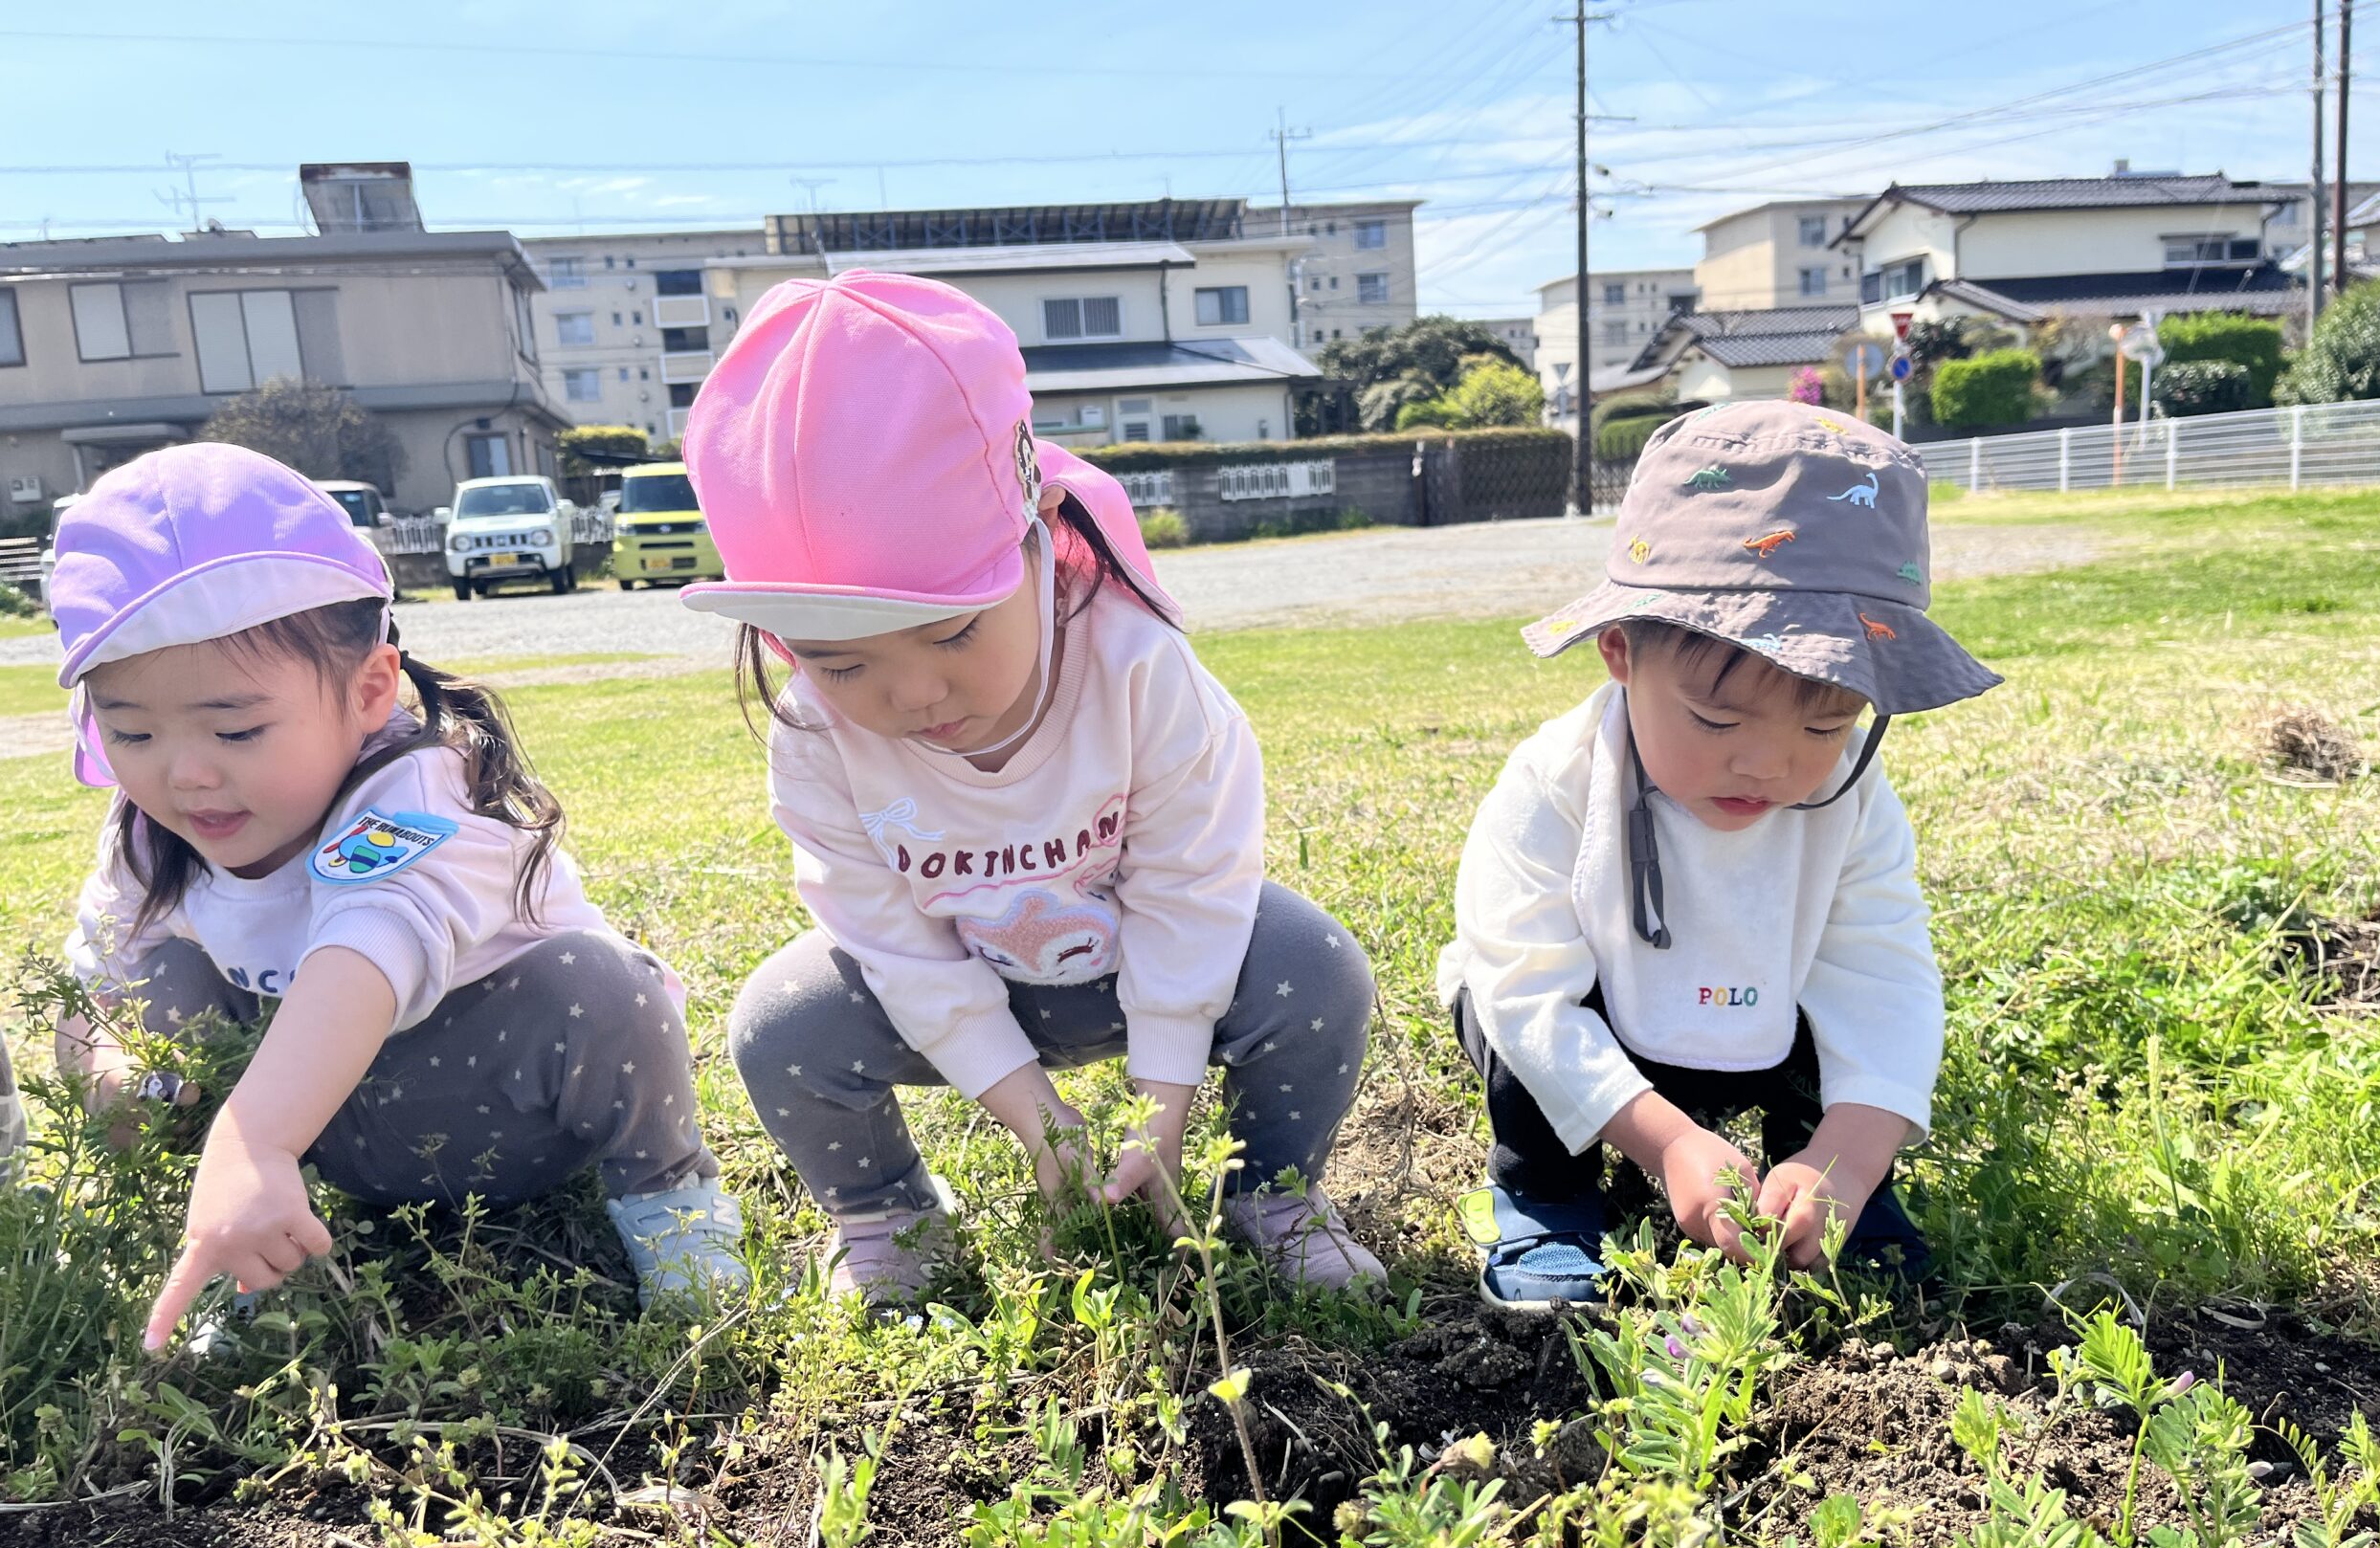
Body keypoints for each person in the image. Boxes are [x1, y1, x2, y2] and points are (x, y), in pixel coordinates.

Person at [690, 272, 1381, 1303]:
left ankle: (1272, 1195)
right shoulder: (814, 736)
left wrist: (1159, 1107)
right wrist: (1036, 1116)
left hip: (1139, 960)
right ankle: (884, 1215)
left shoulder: (1136, 666)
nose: (915, 694)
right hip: (964, 980)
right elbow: (891, 942)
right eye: (841, 662)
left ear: (1042, 530)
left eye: (953, 632)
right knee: (782, 1025)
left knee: (1311, 967)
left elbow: (1190, 886)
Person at [49, 444, 744, 1352]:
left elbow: (367, 946)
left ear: (370, 689)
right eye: (132, 733)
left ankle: (669, 1201)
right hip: (337, 1141)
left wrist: (254, 1141)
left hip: (512, 1119)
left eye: (237, 729)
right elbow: (95, 989)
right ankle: (254, 1249)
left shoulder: (418, 790)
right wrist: (124, 1084)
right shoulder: (149, 836)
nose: (185, 774)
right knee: (161, 983)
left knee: (603, 984)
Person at [1438, 401, 2002, 1308]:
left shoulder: (1853, 800)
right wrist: (1666, 1143)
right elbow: (1524, 986)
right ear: (1620, 653)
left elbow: (1883, 980)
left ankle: (1838, 1202)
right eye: (1715, 719)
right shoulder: (1556, 781)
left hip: (1760, 1023)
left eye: (1825, 724)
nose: (1769, 765)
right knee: (1505, 1008)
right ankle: (1546, 1199)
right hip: (1602, 1025)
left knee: (1836, 1034)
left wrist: (1847, 1160)